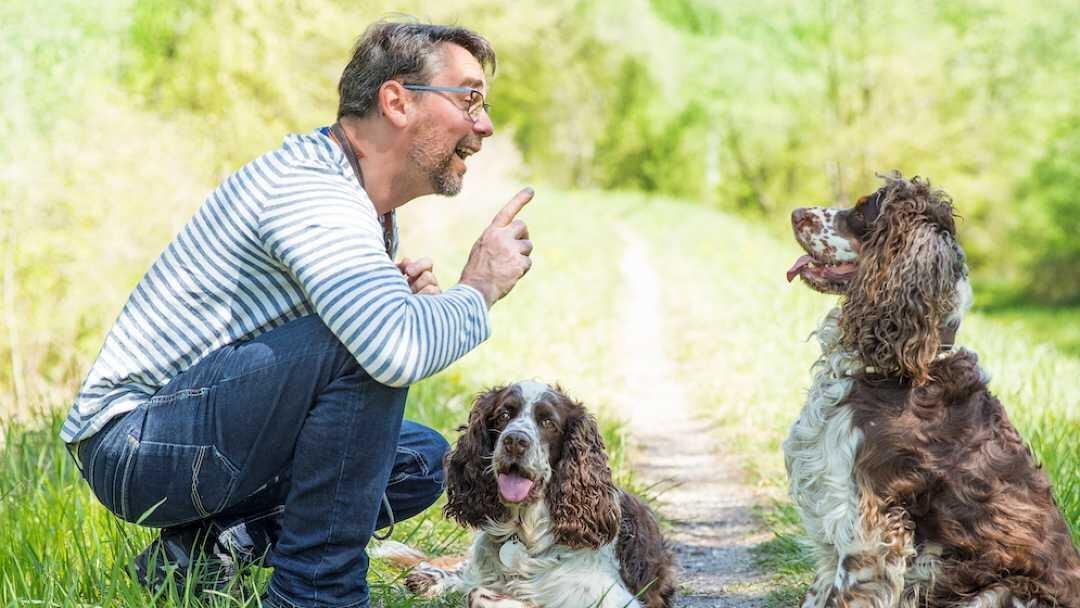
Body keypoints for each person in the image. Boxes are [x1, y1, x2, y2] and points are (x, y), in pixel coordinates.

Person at [60, 20, 533, 608]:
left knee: (421, 461)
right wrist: (479, 287)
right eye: (469, 99)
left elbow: (360, 348)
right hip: (134, 446)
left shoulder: (358, 203)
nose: (483, 125)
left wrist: (399, 304)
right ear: (396, 101)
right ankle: (317, 594)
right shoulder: (314, 190)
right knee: (361, 347)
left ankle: (208, 551)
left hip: (198, 436)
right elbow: (387, 350)